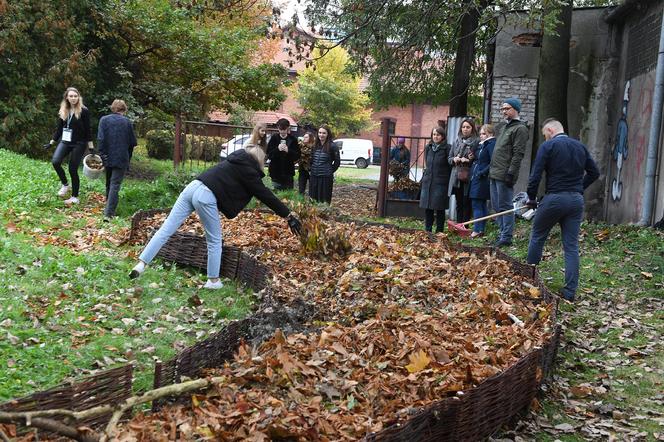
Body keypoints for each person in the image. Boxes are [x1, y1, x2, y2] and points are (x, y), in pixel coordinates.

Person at [129, 145, 302, 289]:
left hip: (192, 186)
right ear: (259, 161)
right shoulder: (249, 172)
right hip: (205, 196)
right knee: (214, 239)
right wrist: (288, 216)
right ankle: (213, 281)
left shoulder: (234, 160)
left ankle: (141, 264)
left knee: (166, 229)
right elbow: (267, 196)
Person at [525, 118, 599, 302]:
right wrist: (579, 188)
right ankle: (570, 292)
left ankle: (529, 281)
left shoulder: (549, 146)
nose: (545, 138)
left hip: (554, 198)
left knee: (538, 236)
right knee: (571, 246)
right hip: (575, 201)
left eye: (544, 135)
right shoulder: (580, 147)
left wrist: (531, 198)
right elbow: (594, 172)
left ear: (550, 130)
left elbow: (535, 175)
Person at [489, 97, 529, 247]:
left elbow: (518, 154)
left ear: (515, 109)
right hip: (495, 173)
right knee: (496, 205)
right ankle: (501, 233)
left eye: (507, 108)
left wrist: (511, 173)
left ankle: (506, 237)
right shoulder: (506, 127)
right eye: (503, 109)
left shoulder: (520, 129)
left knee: (505, 206)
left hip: (505, 174)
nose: (503, 111)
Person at [47, 87, 94, 205]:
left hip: (79, 143)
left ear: (79, 97)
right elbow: (59, 129)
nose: (73, 98)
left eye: (75, 96)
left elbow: (88, 130)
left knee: (72, 169)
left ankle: (75, 197)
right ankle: (65, 185)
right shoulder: (64, 110)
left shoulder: (84, 110)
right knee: (55, 162)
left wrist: (91, 147)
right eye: (71, 96)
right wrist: (52, 142)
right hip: (65, 141)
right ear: (67, 98)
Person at [97, 99, 137, 220]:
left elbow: (100, 139)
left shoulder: (103, 120)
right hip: (121, 157)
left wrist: (102, 155)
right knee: (115, 184)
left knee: (109, 182)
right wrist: (128, 158)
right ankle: (109, 213)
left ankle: (108, 207)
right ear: (124, 110)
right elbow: (132, 143)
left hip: (107, 156)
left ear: (112, 108)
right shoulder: (127, 122)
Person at [419, 126, 451, 233]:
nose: (435, 137)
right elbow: (427, 163)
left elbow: (449, 165)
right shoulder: (429, 147)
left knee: (439, 208)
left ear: (442, 136)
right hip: (428, 181)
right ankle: (428, 230)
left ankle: (439, 231)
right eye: (434, 134)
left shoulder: (447, 148)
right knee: (428, 207)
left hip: (441, 182)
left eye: (438, 134)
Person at [448, 118, 479, 223]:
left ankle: (465, 226)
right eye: (463, 127)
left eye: (468, 127)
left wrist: (469, 160)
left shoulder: (476, 142)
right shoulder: (456, 141)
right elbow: (449, 158)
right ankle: (459, 225)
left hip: (468, 176)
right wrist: (454, 159)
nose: (465, 129)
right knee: (458, 202)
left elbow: (478, 159)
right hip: (456, 175)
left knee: (466, 202)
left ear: (472, 129)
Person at [468, 124, 496, 238]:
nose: (481, 136)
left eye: (484, 134)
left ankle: (477, 229)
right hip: (477, 177)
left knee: (477, 204)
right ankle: (481, 229)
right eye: (480, 134)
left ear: (491, 133)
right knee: (481, 204)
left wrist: (482, 173)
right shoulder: (482, 145)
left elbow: (492, 162)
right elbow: (480, 159)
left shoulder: (491, 144)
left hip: (482, 179)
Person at [309, 125, 340, 204]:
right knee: (313, 199)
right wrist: (311, 169)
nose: (321, 135)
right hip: (314, 176)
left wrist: (329, 171)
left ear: (328, 134)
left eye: (324, 133)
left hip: (326, 178)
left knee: (324, 200)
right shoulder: (314, 145)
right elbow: (311, 159)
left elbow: (337, 162)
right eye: (319, 132)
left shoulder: (333, 146)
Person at [266, 118, 300, 190]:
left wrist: (288, 151)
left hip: (288, 172)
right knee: (275, 195)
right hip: (275, 172)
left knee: (288, 195)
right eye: (280, 129)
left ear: (288, 128)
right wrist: (277, 149)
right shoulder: (274, 138)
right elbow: (269, 155)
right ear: (278, 128)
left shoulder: (293, 139)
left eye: (284, 129)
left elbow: (297, 156)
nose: (282, 131)